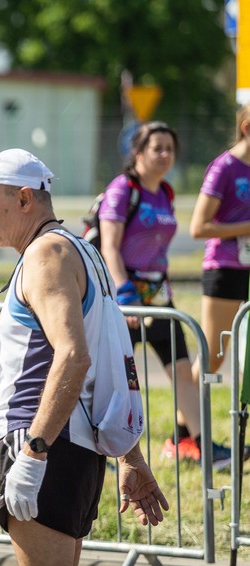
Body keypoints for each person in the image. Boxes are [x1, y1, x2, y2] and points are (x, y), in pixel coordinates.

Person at [0, 148, 168, 566]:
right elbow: (109, 358)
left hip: (44, 439)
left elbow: (74, 357)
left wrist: (33, 453)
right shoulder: (77, 249)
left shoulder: (46, 254)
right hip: (69, 442)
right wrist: (130, 455)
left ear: (25, 199)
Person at [97, 121, 239, 469]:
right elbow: (110, 247)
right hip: (123, 293)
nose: (164, 155)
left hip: (158, 293)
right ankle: (99, 451)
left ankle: (204, 447)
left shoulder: (166, 193)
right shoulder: (123, 189)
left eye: (169, 149)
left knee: (181, 370)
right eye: (156, 148)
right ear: (139, 152)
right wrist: (124, 294)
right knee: (111, 377)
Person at [190, 104, 250, 381]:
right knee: (214, 356)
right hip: (225, 267)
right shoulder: (224, 167)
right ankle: (187, 420)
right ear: (246, 128)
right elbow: (199, 226)